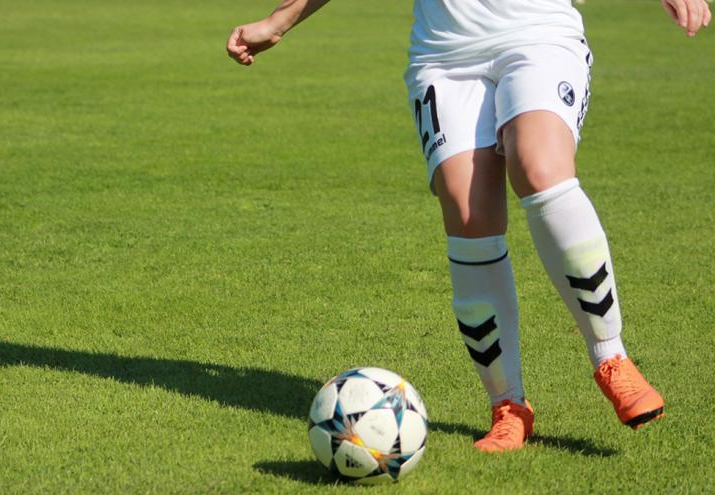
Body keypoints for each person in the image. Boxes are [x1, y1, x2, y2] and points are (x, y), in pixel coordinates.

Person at [226, 0, 710, 453]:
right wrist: (278, 21)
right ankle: (508, 405)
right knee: (466, 212)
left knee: (538, 167)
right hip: (444, 53)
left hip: (537, 32)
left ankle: (611, 358)